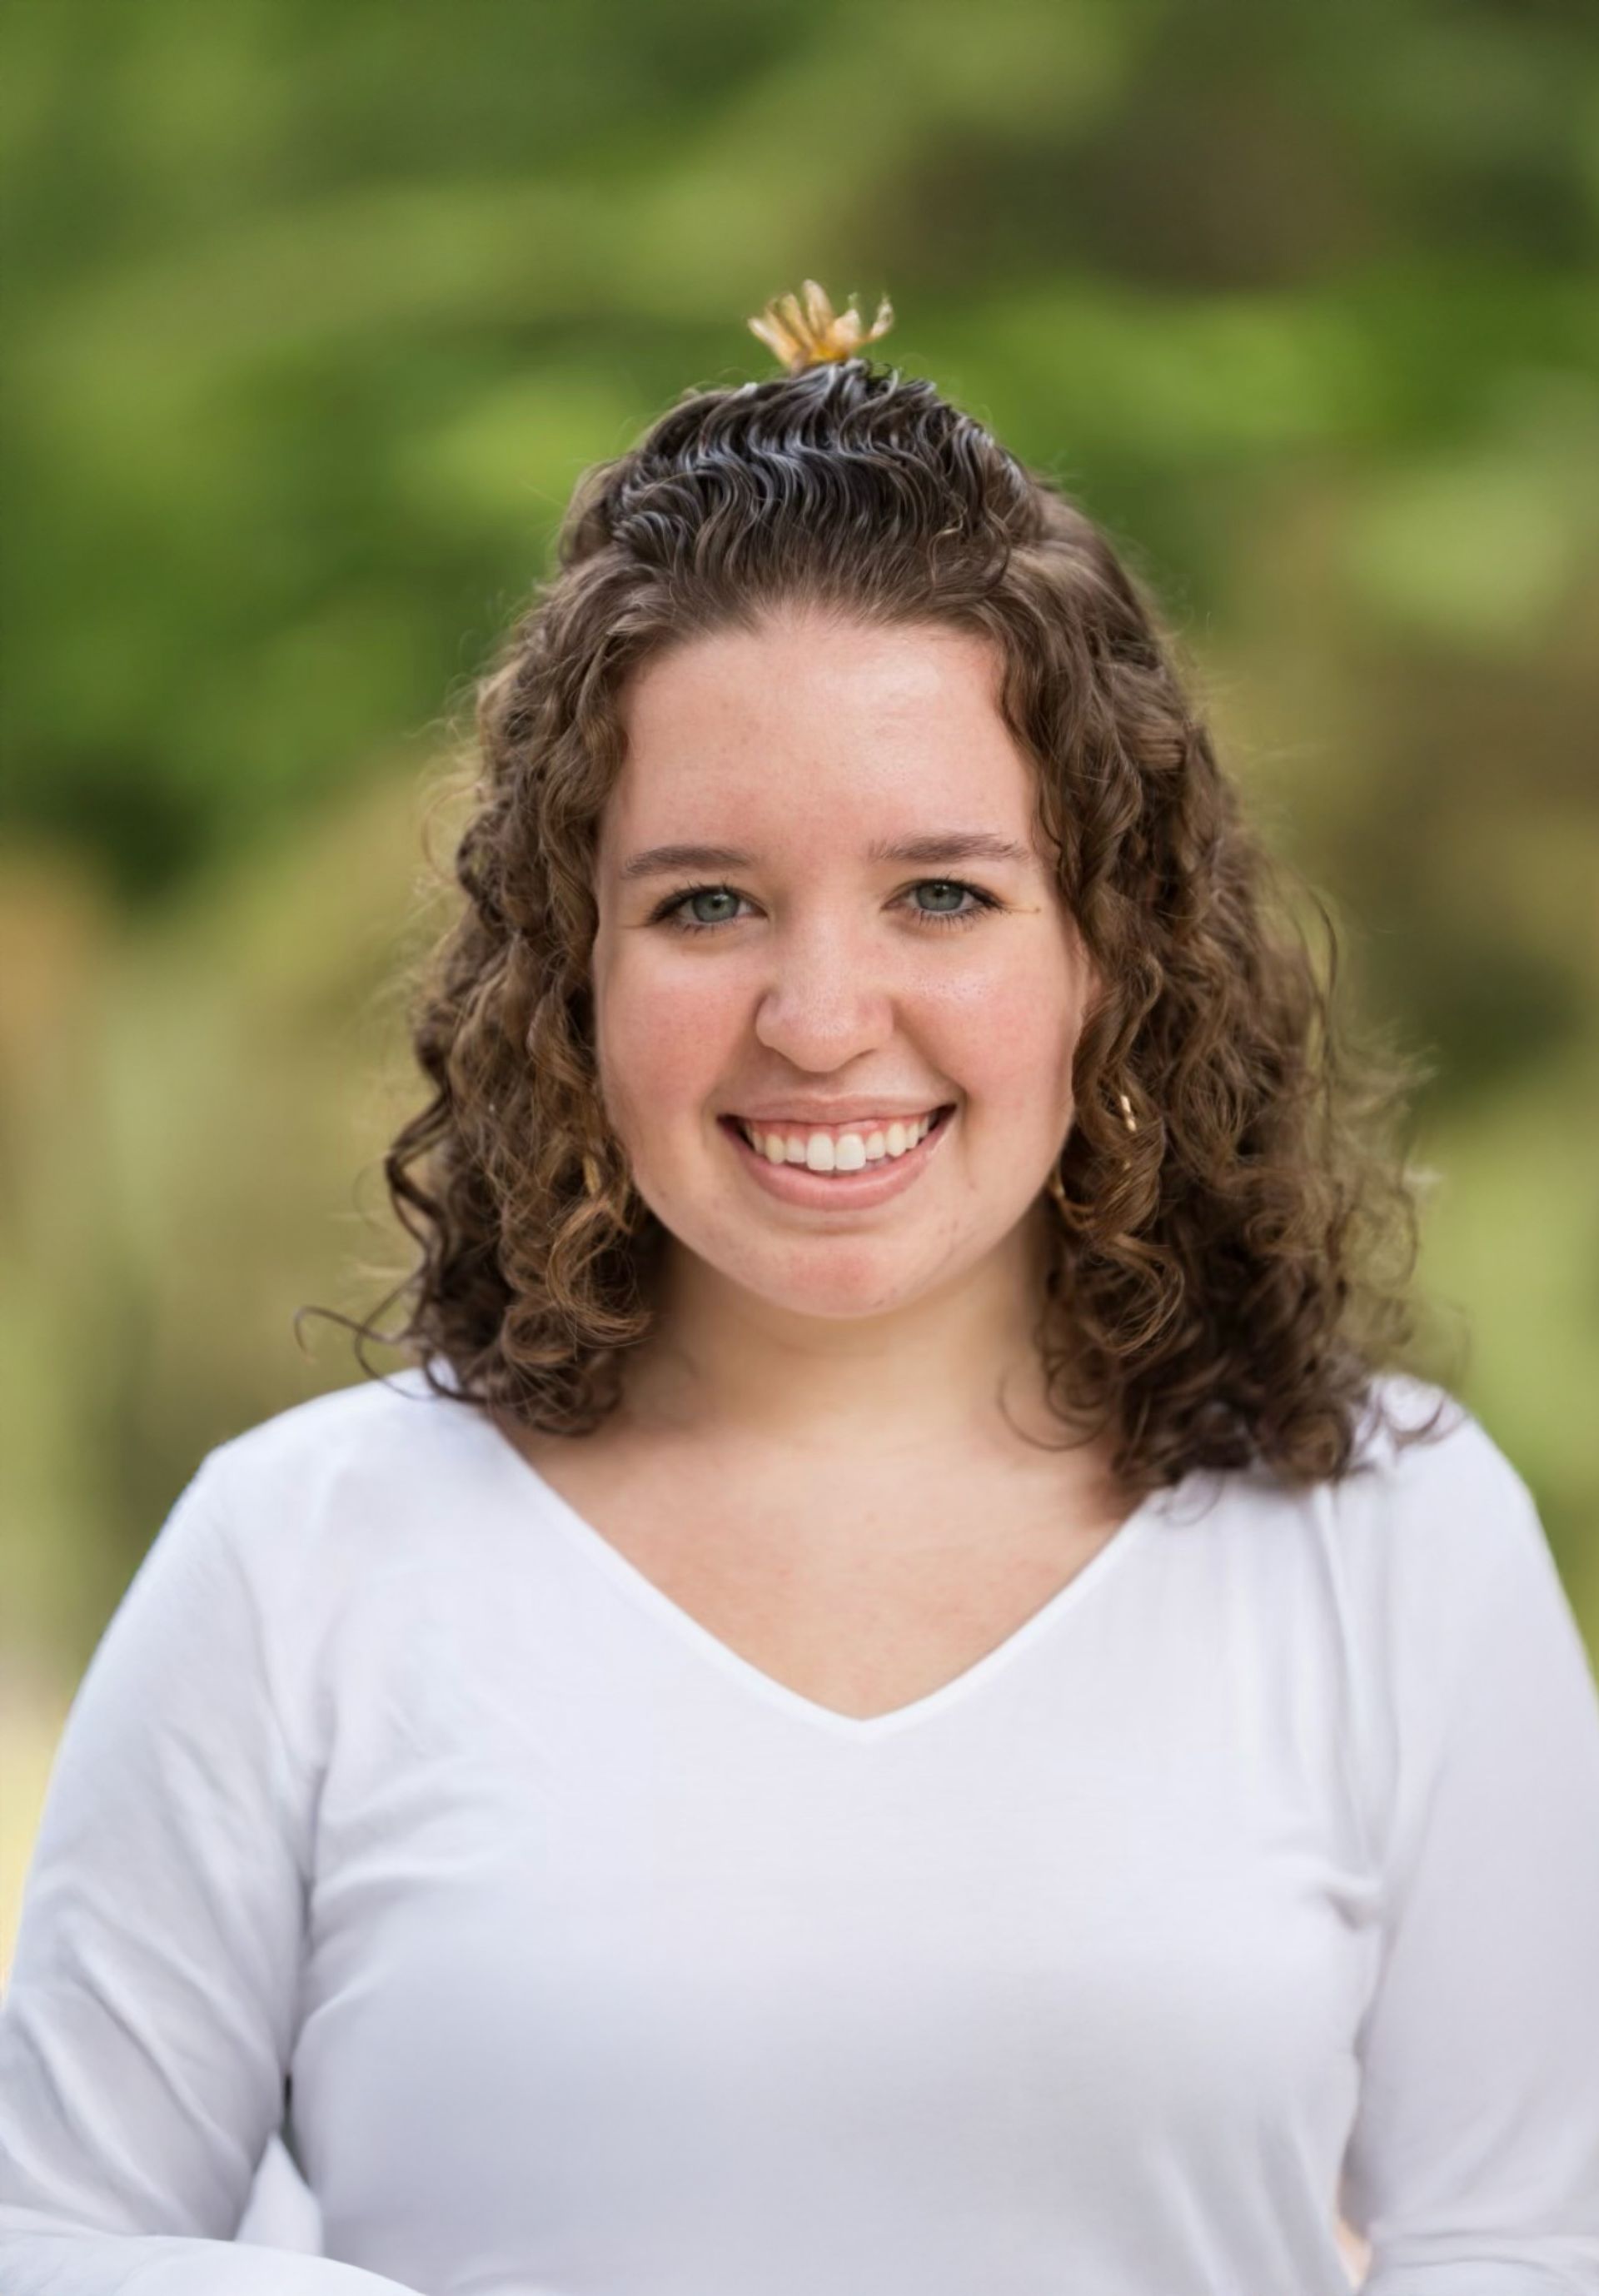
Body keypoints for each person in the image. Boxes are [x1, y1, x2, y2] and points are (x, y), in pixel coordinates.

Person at [2, 281, 1597, 2294]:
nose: (824, 1016)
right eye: (706, 903)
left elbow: (1534, 2242)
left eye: (944, 889)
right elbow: (51, 2239)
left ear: (1109, 946)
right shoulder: (300, 1559)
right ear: (568, 970)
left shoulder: (1391, 1539)